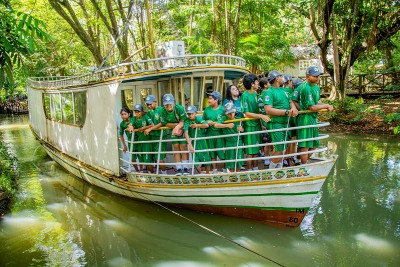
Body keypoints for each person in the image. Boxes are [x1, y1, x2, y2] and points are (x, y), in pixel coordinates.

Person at [296, 66, 334, 164]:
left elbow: (318, 101)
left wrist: (327, 106)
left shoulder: (316, 87)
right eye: (315, 76)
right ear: (308, 76)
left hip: (313, 118)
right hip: (305, 119)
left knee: (314, 144)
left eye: (319, 76)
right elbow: (312, 107)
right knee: (305, 145)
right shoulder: (305, 88)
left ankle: (302, 161)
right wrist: (325, 105)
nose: (317, 78)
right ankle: (303, 165)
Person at [144, 93, 189, 175]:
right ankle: (179, 168)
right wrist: (176, 125)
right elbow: (164, 123)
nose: (168, 106)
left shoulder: (179, 108)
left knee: (183, 146)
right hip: (173, 129)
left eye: (170, 103)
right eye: (166, 104)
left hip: (182, 128)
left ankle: (186, 167)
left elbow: (183, 121)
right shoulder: (161, 111)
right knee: (175, 147)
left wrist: (177, 126)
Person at [263, 70, 299, 169]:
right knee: (279, 149)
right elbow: (268, 109)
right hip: (276, 123)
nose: (283, 78)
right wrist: (286, 112)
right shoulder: (269, 92)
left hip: (285, 123)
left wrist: (293, 107)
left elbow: (290, 101)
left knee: (283, 148)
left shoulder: (283, 90)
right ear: (277, 78)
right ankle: (271, 170)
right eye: (281, 76)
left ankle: (278, 167)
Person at [240, 73, 270, 171]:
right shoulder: (245, 95)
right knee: (250, 150)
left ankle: (256, 168)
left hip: (257, 125)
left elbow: (258, 110)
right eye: (257, 81)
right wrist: (260, 116)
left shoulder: (256, 95)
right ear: (252, 84)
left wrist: (261, 124)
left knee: (256, 148)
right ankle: (249, 169)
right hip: (249, 126)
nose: (258, 83)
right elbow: (246, 113)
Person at [214, 102, 244, 172]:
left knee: (238, 161)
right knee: (230, 161)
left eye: (232, 112)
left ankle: (237, 175)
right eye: (229, 113)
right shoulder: (224, 119)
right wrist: (227, 125)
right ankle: (231, 175)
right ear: (226, 113)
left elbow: (243, 129)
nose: (231, 115)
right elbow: (216, 125)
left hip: (238, 141)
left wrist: (242, 129)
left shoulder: (238, 119)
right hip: (229, 143)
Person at [202, 91, 226, 173]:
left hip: (220, 134)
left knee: (222, 154)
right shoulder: (207, 110)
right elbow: (203, 120)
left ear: (216, 100)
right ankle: (215, 171)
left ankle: (225, 171)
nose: (208, 100)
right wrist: (206, 121)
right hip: (209, 134)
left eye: (210, 99)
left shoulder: (223, 109)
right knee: (212, 154)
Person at [184, 105, 211, 174]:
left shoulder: (198, 119)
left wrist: (196, 125)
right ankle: (201, 173)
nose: (190, 115)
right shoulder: (187, 121)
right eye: (189, 114)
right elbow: (186, 133)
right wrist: (190, 145)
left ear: (195, 113)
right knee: (195, 160)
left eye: (192, 113)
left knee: (206, 158)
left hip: (202, 140)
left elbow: (206, 125)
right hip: (194, 141)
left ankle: (207, 174)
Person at [144, 95, 167, 174]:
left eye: (150, 104)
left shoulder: (161, 110)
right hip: (151, 137)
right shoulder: (149, 112)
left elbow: (162, 123)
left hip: (160, 136)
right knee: (149, 158)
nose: (149, 106)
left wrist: (150, 128)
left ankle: (165, 174)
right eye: (147, 104)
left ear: (155, 102)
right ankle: (152, 175)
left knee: (159, 158)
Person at [129, 104, 154, 173]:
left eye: (138, 112)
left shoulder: (145, 117)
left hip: (146, 142)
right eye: (135, 112)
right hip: (139, 142)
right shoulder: (134, 118)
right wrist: (131, 127)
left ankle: (151, 173)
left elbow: (152, 125)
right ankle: (142, 172)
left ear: (142, 111)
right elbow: (130, 124)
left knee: (147, 160)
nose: (137, 113)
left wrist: (143, 128)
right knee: (141, 159)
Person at [119, 107, 141, 172]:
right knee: (132, 158)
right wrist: (124, 145)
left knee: (140, 156)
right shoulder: (122, 124)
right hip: (130, 142)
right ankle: (137, 170)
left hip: (138, 140)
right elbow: (121, 135)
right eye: (122, 114)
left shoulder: (133, 119)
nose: (123, 116)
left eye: (125, 114)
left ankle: (142, 170)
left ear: (128, 114)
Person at [258, 77, 273, 167]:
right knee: (267, 140)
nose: (270, 84)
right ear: (265, 85)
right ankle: (267, 158)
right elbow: (260, 111)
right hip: (265, 120)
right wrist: (261, 123)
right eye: (268, 83)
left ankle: (269, 157)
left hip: (270, 119)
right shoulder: (261, 97)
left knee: (270, 139)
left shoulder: (269, 93)